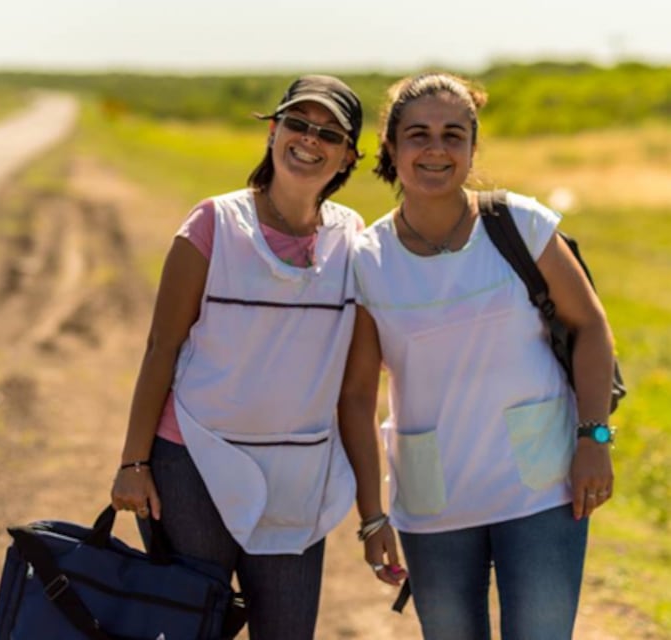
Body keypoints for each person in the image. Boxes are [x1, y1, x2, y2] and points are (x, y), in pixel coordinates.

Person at [110, 75, 405, 639]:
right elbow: (161, 349)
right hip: (193, 467)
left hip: (297, 481)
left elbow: (356, 395)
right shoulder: (212, 225)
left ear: (348, 156)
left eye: (329, 133)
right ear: (273, 132)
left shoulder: (355, 243)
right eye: (297, 124)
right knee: (193, 628)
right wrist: (133, 462)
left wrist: (373, 516)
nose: (309, 140)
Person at [341, 72, 617, 640]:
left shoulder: (520, 224)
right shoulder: (368, 259)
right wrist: (373, 515)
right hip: (431, 504)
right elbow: (357, 398)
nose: (436, 149)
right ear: (392, 148)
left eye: (453, 135)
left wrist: (595, 438)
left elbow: (590, 325)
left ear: (472, 146)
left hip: (542, 490)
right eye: (418, 135)